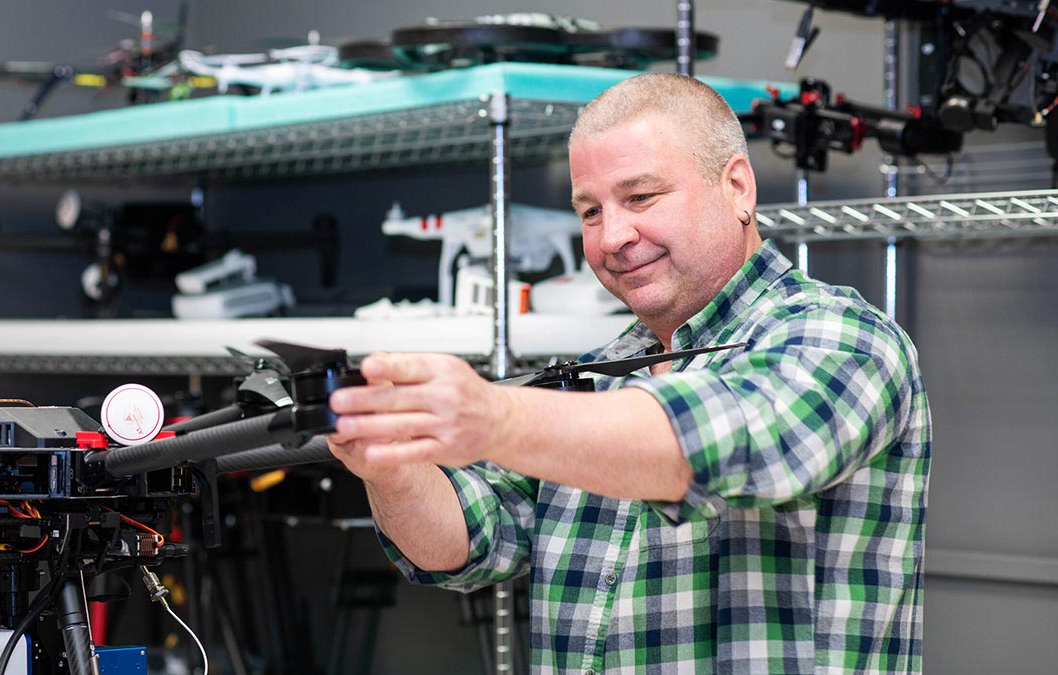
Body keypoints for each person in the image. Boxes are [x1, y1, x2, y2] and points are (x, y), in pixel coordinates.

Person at [327, 73, 931, 674]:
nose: (613, 236)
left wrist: (489, 415)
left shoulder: (845, 340)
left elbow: (722, 441)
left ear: (738, 187)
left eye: (640, 197)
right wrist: (389, 463)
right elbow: (466, 543)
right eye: (590, 211)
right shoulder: (600, 376)